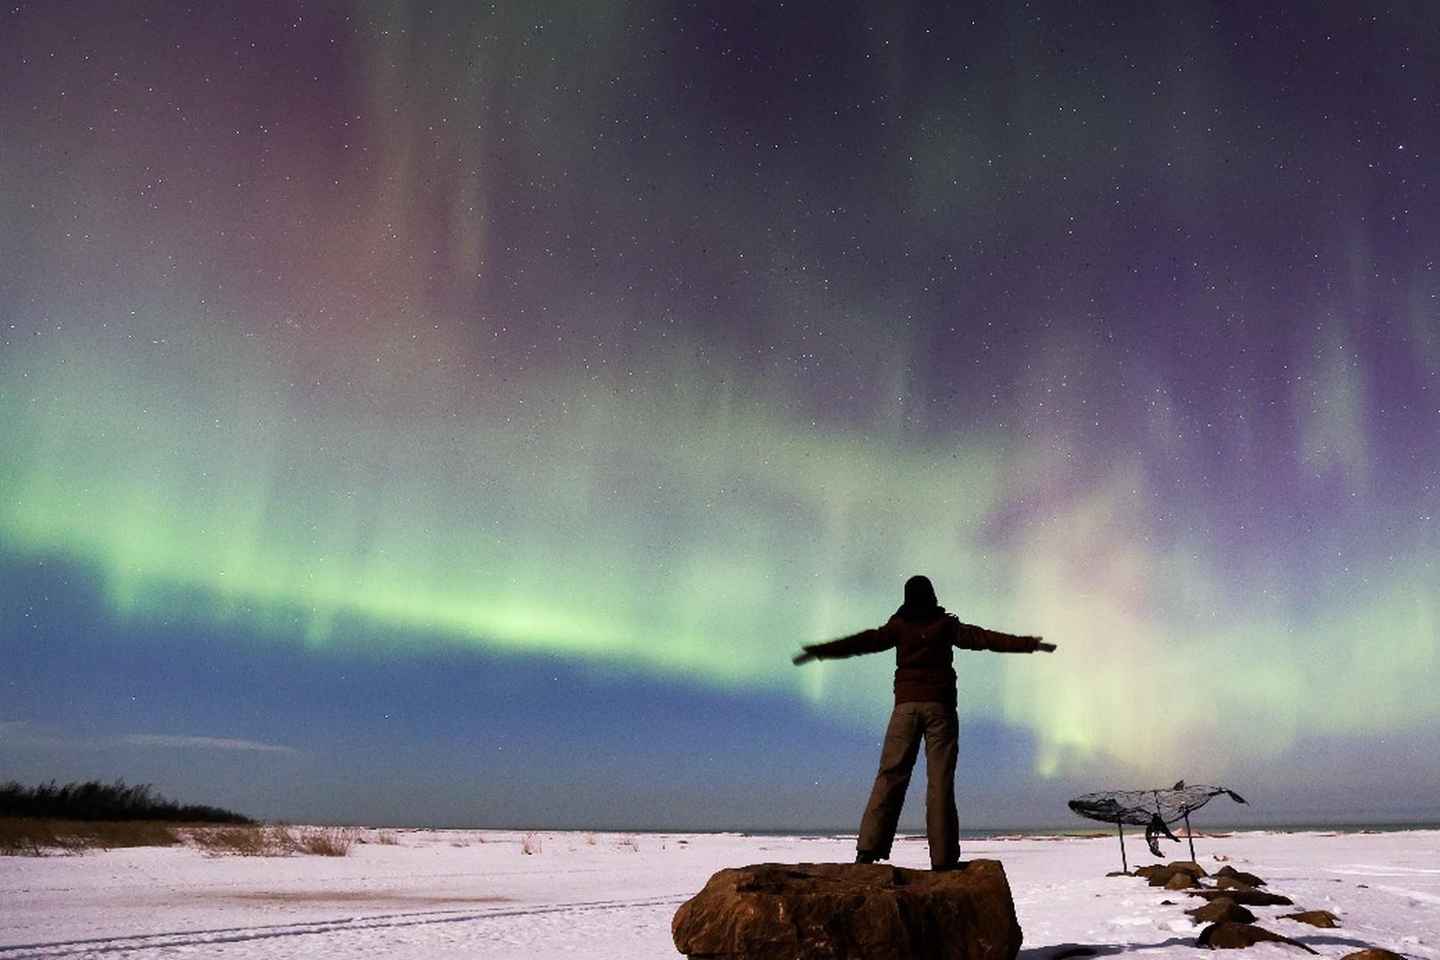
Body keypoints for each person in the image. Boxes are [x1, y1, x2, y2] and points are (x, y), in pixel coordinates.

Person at [792, 574, 1056, 870]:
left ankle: (868, 850)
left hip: (905, 708)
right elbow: (986, 638)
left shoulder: (899, 625)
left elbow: (863, 642)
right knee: (940, 782)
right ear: (932, 595)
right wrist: (1029, 644)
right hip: (940, 709)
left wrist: (821, 651)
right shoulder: (945, 625)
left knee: (890, 775)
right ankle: (943, 860)